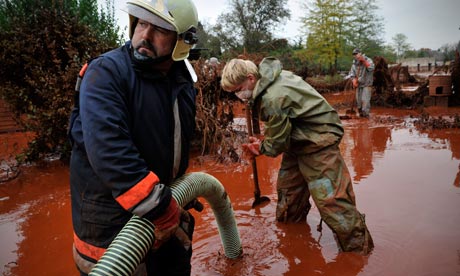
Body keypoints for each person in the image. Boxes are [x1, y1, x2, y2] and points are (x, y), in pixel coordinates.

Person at [68, 0, 200, 275]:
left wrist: (177, 196)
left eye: (160, 29)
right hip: (112, 240)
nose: (145, 36)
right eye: (141, 23)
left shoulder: (182, 82)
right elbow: (110, 152)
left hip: (164, 221)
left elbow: (175, 149)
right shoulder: (106, 73)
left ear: (181, 41)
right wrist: (162, 209)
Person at [220, 57, 374, 255]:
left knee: (333, 203)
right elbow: (280, 132)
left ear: (250, 78)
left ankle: (359, 253)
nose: (238, 96)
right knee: (289, 196)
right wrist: (266, 143)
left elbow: (277, 143)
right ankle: (293, 240)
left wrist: (262, 147)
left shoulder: (272, 98)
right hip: (297, 140)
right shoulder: (270, 79)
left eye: (237, 89)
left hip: (319, 142)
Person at [347, 48, 375, 117]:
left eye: (356, 54)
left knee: (365, 103)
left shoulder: (368, 60)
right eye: (354, 54)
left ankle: (366, 118)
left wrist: (364, 61)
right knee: (359, 104)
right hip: (358, 85)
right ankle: (361, 116)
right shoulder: (354, 63)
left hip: (366, 84)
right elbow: (352, 74)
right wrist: (353, 81)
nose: (355, 55)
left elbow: (371, 68)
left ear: (360, 53)